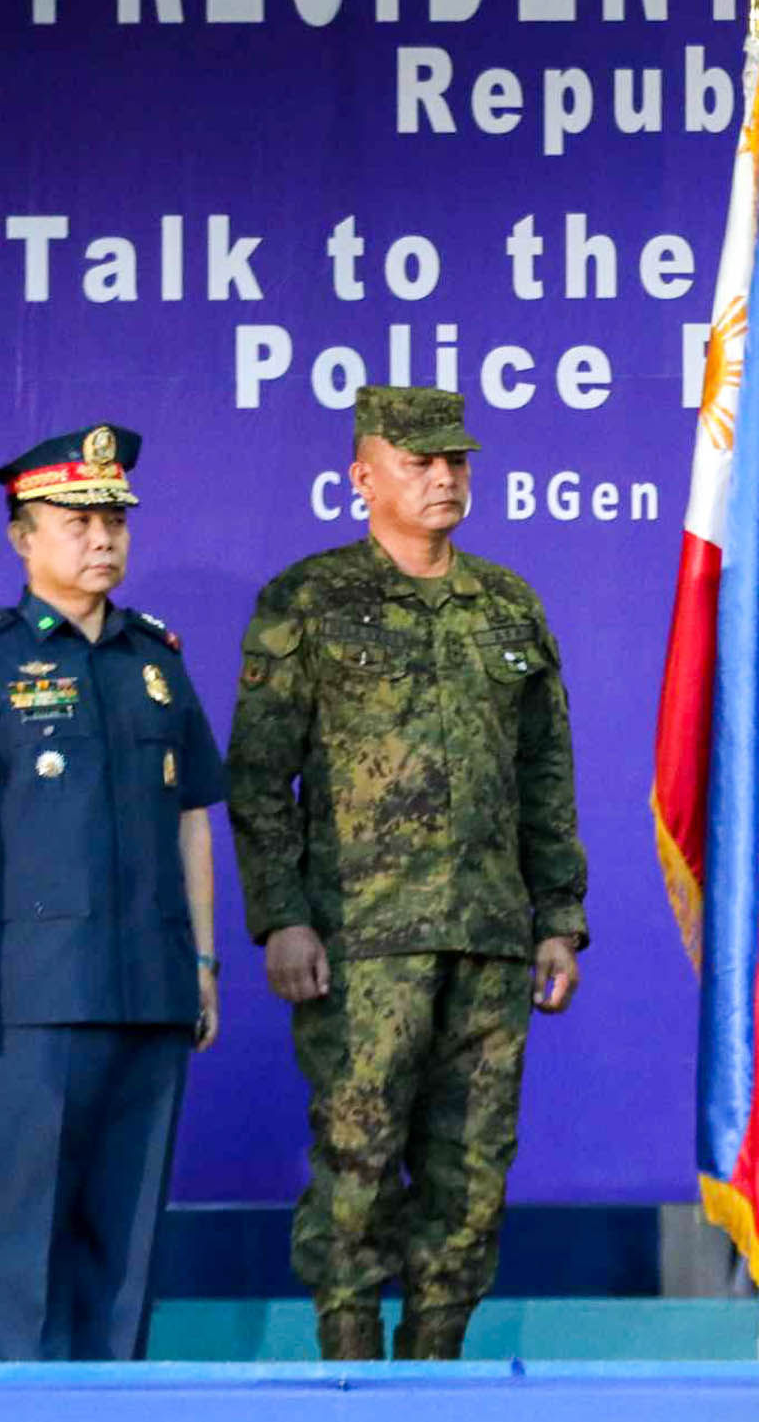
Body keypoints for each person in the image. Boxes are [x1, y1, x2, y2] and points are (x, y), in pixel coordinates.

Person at [228, 384, 584, 1362]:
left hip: (489, 937)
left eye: (454, 461)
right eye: (419, 461)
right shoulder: (309, 599)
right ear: (361, 477)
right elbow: (259, 776)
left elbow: (545, 770)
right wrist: (282, 918)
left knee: (472, 1179)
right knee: (357, 1164)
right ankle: (349, 1374)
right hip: (361, 943)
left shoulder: (506, 603)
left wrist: (558, 914)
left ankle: (436, 1377)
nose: (442, 477)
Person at [0, 432, 223, 1362]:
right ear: (20, 539)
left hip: (151, 985)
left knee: (128, 1247)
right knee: (29, 1236)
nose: (101, 540)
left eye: (113, 519)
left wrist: (202, 961)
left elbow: (191, 817)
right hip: (31, 993)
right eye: (77, 522)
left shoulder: (153, 655)